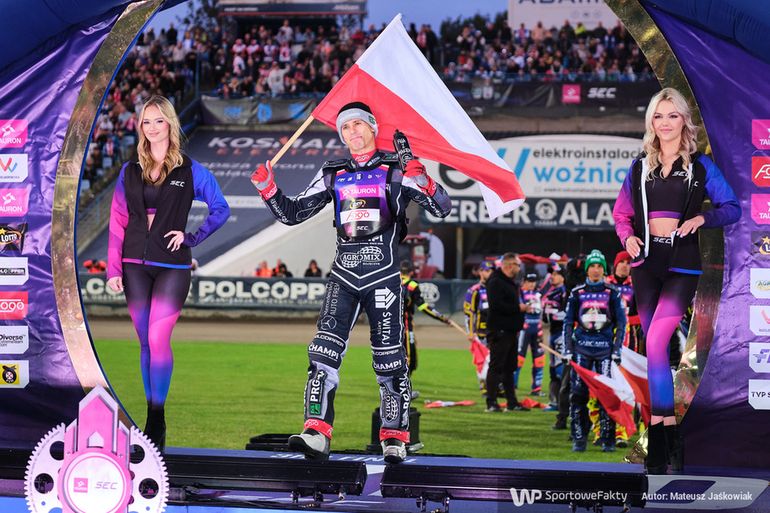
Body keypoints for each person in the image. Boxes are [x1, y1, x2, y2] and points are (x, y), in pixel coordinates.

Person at [250, 101, 451, 463]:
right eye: (345, 127)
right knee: (321, 353)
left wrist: (424, 181)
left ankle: (394, 437)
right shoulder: (333, 172)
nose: (352, 131)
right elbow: (293, 213)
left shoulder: (398, 168)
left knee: (390, 360)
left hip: (384, 277)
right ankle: (316, 432)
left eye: (358, 124)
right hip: (343, 276)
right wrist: (268, 190)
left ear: (373, 127)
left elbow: (442, 207)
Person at [612, 87, 740, 473]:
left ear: (684, 120)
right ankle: (668, 438)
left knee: (655, 342)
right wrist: (627, 237)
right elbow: (621, 214)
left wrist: (702, 218)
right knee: (655, 351)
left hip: (681, 266)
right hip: (645, 266)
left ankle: (660, 436)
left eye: (672, 115)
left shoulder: (700, 166)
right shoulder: (640, 167)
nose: (665, 122)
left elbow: (731, 207)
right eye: (658, 116)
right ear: (650, 122)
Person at [106, 95, 230, 451]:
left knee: (159, 338)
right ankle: (151, 412)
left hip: (173, 266)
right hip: (134, 266)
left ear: (170, 124)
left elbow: (220, 209)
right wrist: (113, 268)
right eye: (146, 121)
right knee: (145, 341)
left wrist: (191, 237)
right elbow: (117, 221)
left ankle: (156, 418)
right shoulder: (129, 171)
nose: (152, 127)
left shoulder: (190, 170)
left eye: (158, 120)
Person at [562, 250, 626, 453]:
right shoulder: (577, 293)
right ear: (587, 269)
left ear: (604, 270)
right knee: (578, 395)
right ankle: (579, 439)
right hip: (581, 350)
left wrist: (617, 349)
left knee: (607, 396)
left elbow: (621, 323)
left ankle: (608, 440)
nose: (596, 270)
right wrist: (568, 349)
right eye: (592, 266)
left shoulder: (612, 292)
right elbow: (567, 322)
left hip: (605, 351)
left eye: (599, 266)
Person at [484, 252, 528, 413]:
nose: (519, 268)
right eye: (517, 265)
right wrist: (518, 308)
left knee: (510, 368)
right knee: (496, 367)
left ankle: (512, 402)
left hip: (510, 331)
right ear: (509, 266)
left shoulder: (508, 282)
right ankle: (491, 402)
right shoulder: (496, 281)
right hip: (500, 331)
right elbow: (496, 306)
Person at [400, 260, 450, 382]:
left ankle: (397, 385)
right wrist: (441, 317)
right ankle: (403, 387)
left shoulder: (392, 282)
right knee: (409, 356)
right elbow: (423, 307)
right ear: (411, 272)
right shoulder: (412, 285)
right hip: (405, 325)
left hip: (390, 324)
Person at [463, 260, 494, 395]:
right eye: (486, 271)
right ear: (480, 272)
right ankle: (484, 385)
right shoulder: (474, 290)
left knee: (496, 360)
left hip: (496, 331)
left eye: (490, 271)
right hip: (481, 332)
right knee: (483, 359)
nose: (489, 273)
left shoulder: (495, 288)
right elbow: (469, 313)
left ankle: (496, 384)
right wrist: (470, 331)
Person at [514, 273, 545, 395]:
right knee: (519, 359)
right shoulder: (519, 293)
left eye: (533, 281)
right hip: (524, 329)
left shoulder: (539, 294)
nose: (532, 284)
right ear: (524, 281)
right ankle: (512, 385)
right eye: (529, 281)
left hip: (537, 328)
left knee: (539, 359)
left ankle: (537, 388)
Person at [542, 265, 567, 411]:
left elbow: (567, 315)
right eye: (552, 274)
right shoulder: (551, 293)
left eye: (556, 274)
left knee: (560, 369)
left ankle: (563, 402)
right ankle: (554, 401)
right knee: (553, 368)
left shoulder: (565, 292)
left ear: (563, 277)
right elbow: (545, 317)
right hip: (552, 333)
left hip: (562, 334)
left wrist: (554, 314)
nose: (553, 276)